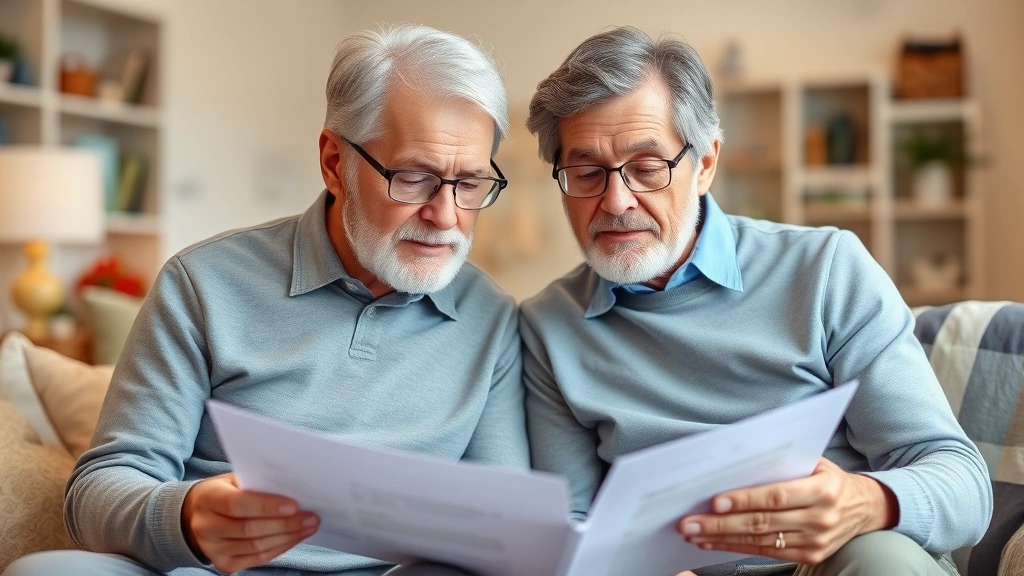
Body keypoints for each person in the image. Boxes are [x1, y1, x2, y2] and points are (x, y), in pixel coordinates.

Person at [3, 25, 524, 576]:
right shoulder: (202, 283)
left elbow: (503, 516)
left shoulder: (491, 318)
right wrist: (187, 517)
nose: (445, 216)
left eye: (470, 184)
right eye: (414, 177)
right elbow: (97, 491)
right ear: (334, 163)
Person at [521, 26, 991, 575]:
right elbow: (574, 524)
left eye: (647, 169)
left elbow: (962, 483)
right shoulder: (548, 326)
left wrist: (863, 502)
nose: (616, 199)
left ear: (705, 164)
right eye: (586, 172)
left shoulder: (825, 269)